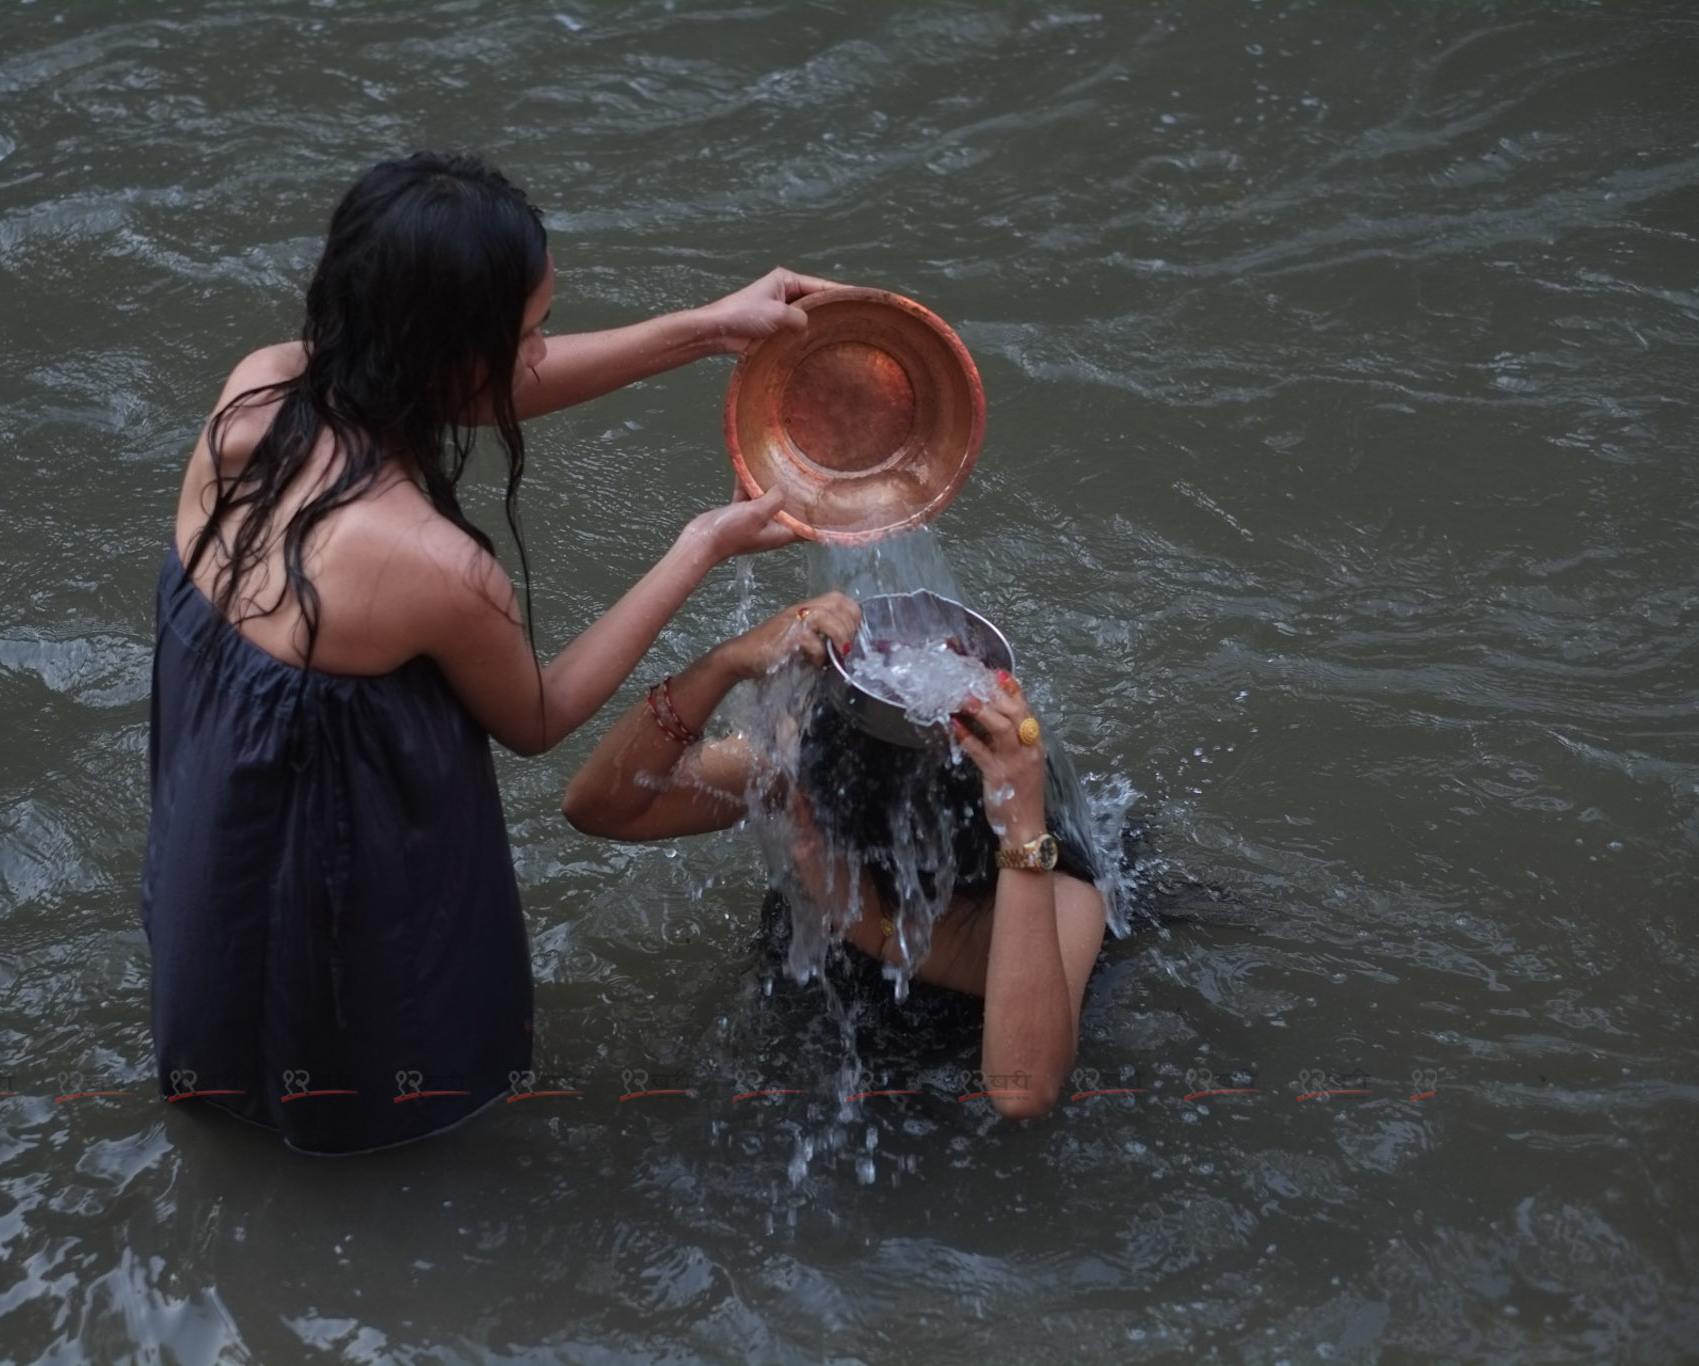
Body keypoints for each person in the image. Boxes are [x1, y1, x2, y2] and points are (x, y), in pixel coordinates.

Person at [141, 150, 836, 1154]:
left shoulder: (256, 395)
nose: (543, 347)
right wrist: (699, 546)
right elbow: (538, 717)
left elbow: (463, 389)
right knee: (385, 1085)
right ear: (457, 356)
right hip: (343, 859)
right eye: (533, 331)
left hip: (220, 823)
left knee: (243, 1035)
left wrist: (705, 332)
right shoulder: (430, 566)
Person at [561, 593, 1112, 1119]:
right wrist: (726, 663)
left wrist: (1021, 831)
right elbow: (601, 806)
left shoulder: (1052, 890)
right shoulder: (801, 769)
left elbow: (1023, 1093)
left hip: (941, 1113)